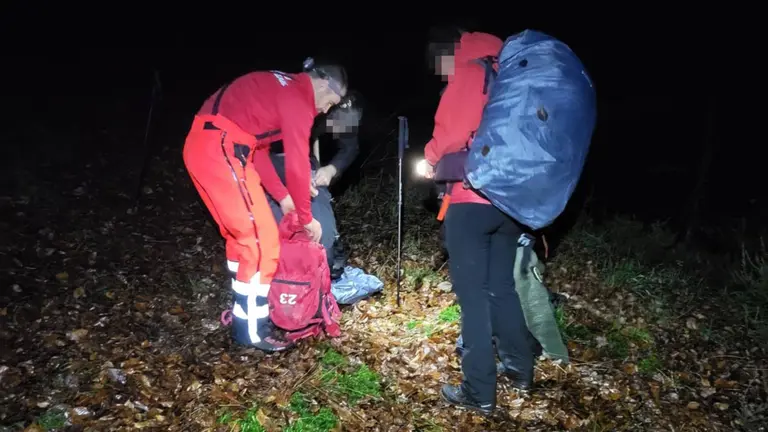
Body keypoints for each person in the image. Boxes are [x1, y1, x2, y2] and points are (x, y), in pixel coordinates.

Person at [182, 59, 348, 353]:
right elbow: (298, 162)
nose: (326, 110)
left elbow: (258, 151)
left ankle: (242, 315)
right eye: (330, 102)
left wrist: (284, 198)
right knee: (260, 241)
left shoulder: (283, 88)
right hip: (218, 148)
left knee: (246, 241)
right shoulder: (298, 98)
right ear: (323, 83)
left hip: (223, 147)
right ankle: (251, 332)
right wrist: (306, 216)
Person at [422, 26, 537, 414]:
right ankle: (520, 369)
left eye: (441, 67)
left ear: (448, 53)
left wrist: (431, 155)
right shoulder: (510, 69)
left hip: (472, 198)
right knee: (501, 289)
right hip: (512, 202)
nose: (443, 74)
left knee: (472, 299)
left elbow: (450, 134)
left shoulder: (470, 71)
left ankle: (479, 392)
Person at [265, 90, 362, 277]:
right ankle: (279, 275)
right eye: (340, 126)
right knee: (276, 218)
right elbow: (262, 153)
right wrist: (294, 178)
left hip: (303, 162)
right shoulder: (300, 105)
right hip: (269, 159)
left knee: (319, 209)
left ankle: (323, 267)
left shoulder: (342, 112)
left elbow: (350, 147)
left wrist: (331, 169)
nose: (339, 133)